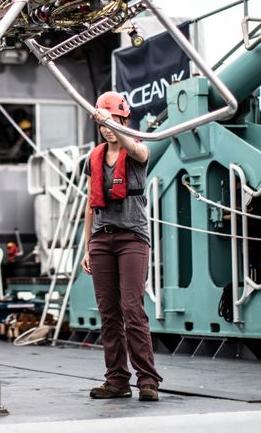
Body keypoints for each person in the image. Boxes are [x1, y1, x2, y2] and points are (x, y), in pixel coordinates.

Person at [81, 91, 162, 402]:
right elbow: (90, 205)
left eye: (112, 120)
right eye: (102, 122)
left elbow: (137, 150)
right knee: (109, 312)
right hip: (102, 239)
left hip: (132, 238)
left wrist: (118, 130)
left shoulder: (139, 151)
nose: (105, 127)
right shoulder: (94, 158)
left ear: (125, 120)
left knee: (132, 308)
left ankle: (148, 381)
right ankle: (116, 380)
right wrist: (87, 247)